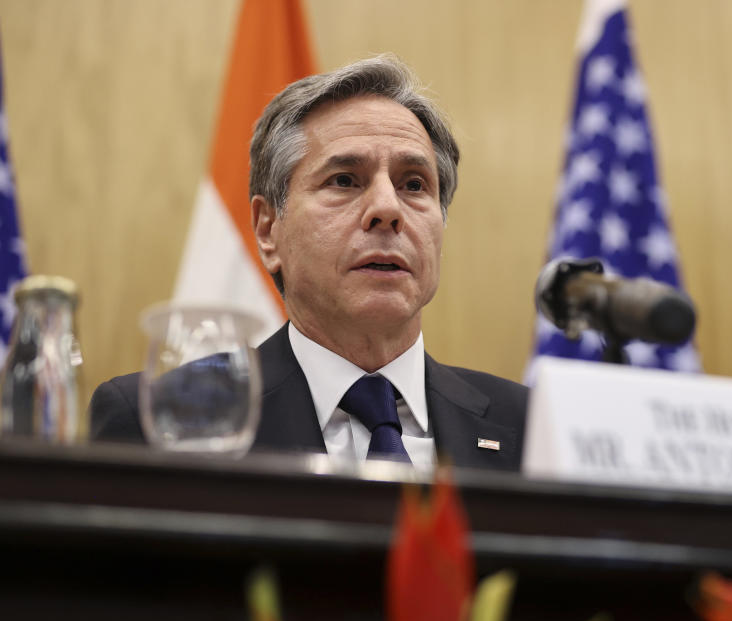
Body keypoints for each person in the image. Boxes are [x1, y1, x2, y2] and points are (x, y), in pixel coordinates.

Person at [90, 55, 527, 472]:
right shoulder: (161, 420)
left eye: (414, 184)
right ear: (267, 229)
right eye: (344, 180)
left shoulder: (527, 428)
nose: (387, 208)